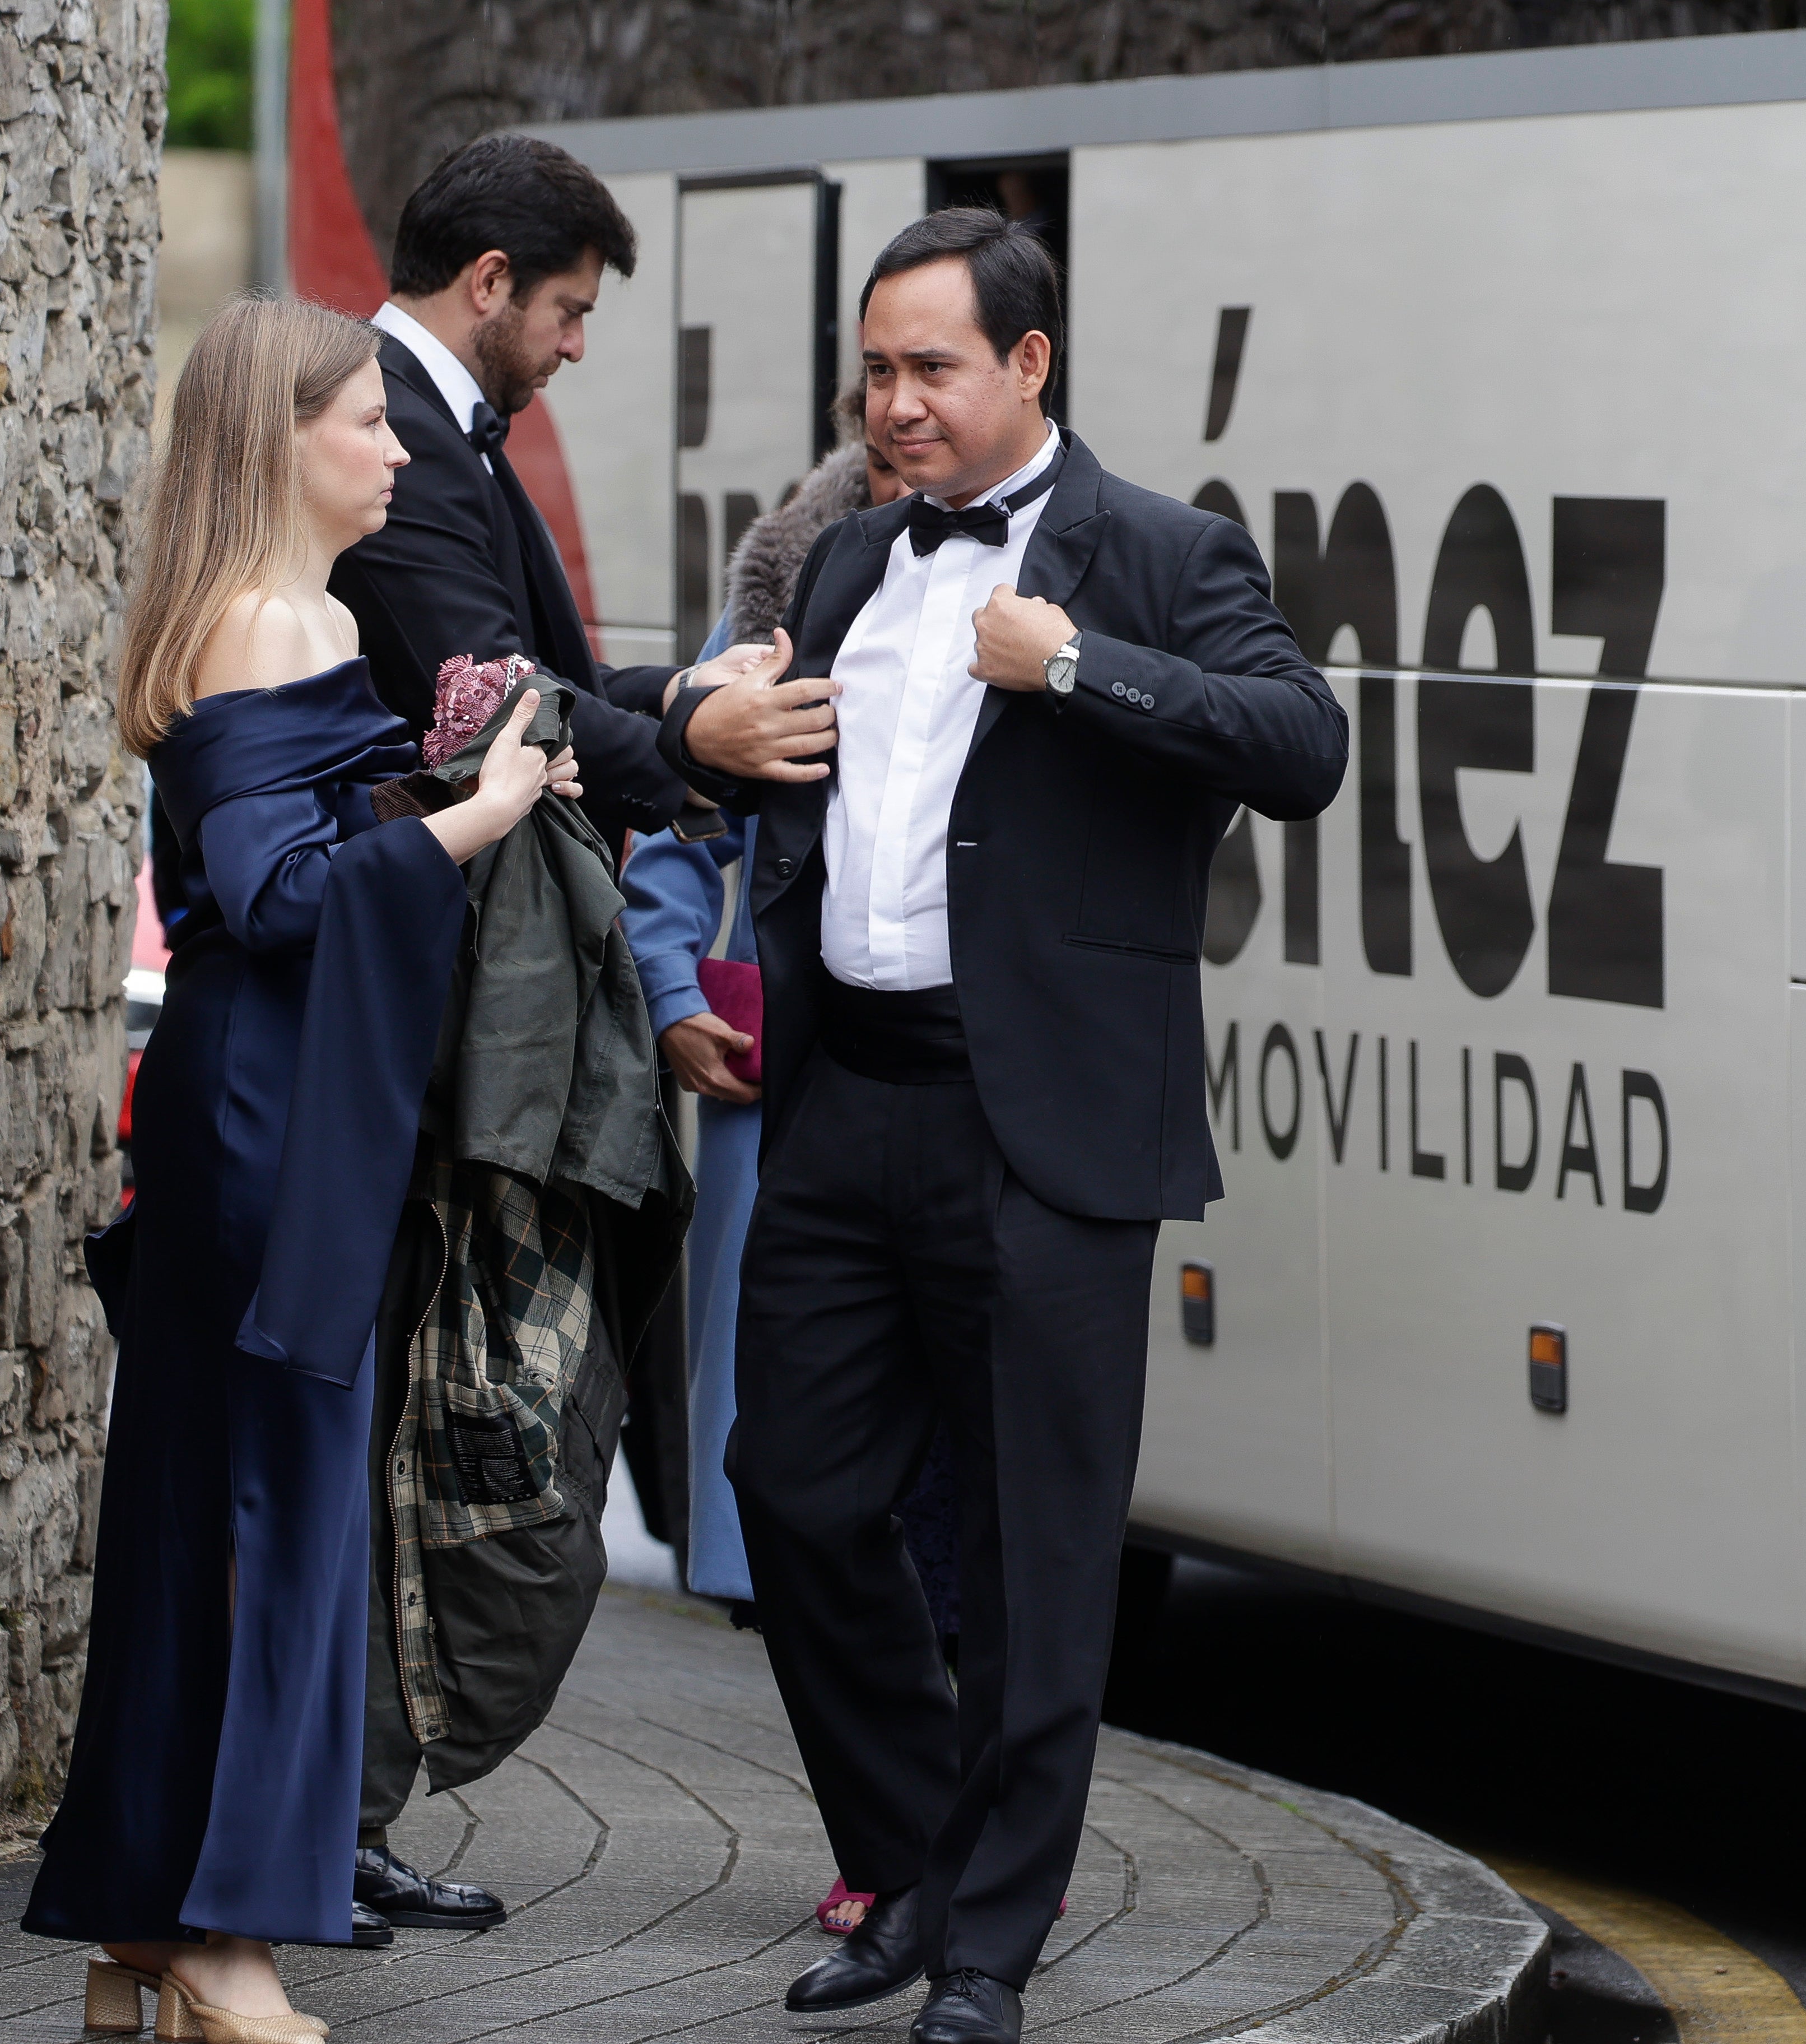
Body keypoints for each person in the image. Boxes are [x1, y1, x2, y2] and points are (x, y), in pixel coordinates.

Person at [655, 209, 1348, 2044]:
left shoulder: (1157, 550)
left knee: (1042, 1556)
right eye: (875, 371)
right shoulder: (859, 553)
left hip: (1039, 1129)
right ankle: (911, 1854)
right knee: (786, 1487)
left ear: (1030, 365)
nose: (893, 406)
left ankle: (983, 1953)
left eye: (930, 369)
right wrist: (703, 741)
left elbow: (1301, 743)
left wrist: (1075, 668)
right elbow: (782, 762)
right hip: (842, 1104)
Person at [23, 296, 576, 2041]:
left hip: (264, 1112)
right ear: (282, 440)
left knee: (211, 1510)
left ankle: (143, 1920)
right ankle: (225, 1933)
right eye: (368, 424)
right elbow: (268, 902)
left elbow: (298, 857)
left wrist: (421, 788)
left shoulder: (285, 614)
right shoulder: (267, 620)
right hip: (268, 1121)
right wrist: (478, 813)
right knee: (276, 1518)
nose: (400, 450)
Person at [325, 130, 762, 1936]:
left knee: (422, 1439)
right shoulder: (400, 451)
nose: (579, 348)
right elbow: (497, 713)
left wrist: (668, 705)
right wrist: (688, 742)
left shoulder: (441, 441)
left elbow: (543, 685)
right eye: (570, 312)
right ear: (490, 282)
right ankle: (321, 1822)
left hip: (429, 1026)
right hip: (417, 1037)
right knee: (412, 1438)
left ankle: (332, 1817)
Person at [620, 394, 934, 1940]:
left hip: (955, 1100)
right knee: (800, 1472)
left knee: (956, 1493)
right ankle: (888, 1831)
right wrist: (675, 989)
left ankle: (952, 1835)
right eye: (881, 438)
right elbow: (683, 809)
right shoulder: (782, 592)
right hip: (786, 1073)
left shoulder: (1041, 580)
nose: (905, 460)